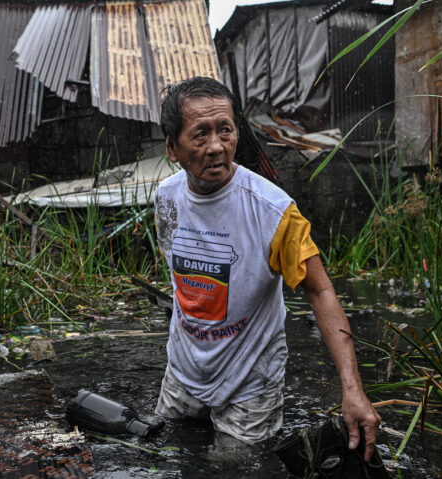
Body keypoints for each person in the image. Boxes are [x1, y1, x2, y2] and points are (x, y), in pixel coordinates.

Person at [153, 76, 380, 461]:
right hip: (182, 374)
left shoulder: (273, 211)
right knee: (170, 455)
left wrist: (353, 389)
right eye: (201, 134)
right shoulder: (166, 198)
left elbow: (320, 291)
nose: (216, 146)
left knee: (234, 469)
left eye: (225, 130)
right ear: (173, 148)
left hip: (250, 387)